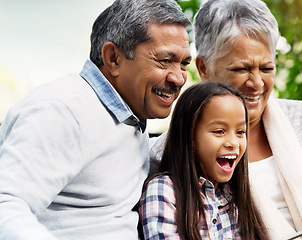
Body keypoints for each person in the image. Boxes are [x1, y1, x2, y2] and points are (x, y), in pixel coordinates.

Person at [149, 0, 302, 239]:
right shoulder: (173, 151)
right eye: (241, 69)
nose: (257, 83)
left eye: (267, 68)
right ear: (203, 68)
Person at [0, 0, 191, 239]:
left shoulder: (130, 112)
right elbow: (6, 206)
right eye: (164, 60)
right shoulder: (61, 110)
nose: (179, 78)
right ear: (113, 59)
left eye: (184, 64)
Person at [140, 82, 269, 239]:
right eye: (219, 131)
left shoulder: (234, 195)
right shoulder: (164, 191)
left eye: (240, 132)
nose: (233, 143)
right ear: (190, 136)